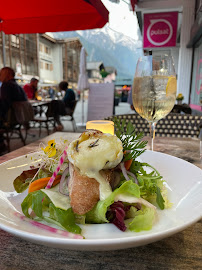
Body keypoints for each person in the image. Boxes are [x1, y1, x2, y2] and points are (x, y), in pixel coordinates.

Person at [0, 67, 27, 153]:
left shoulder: (6, 85)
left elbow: (4, 105)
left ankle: (1, 144)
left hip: (10, 120)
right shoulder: (17, 86)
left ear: (5, 75)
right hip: (18, 118)